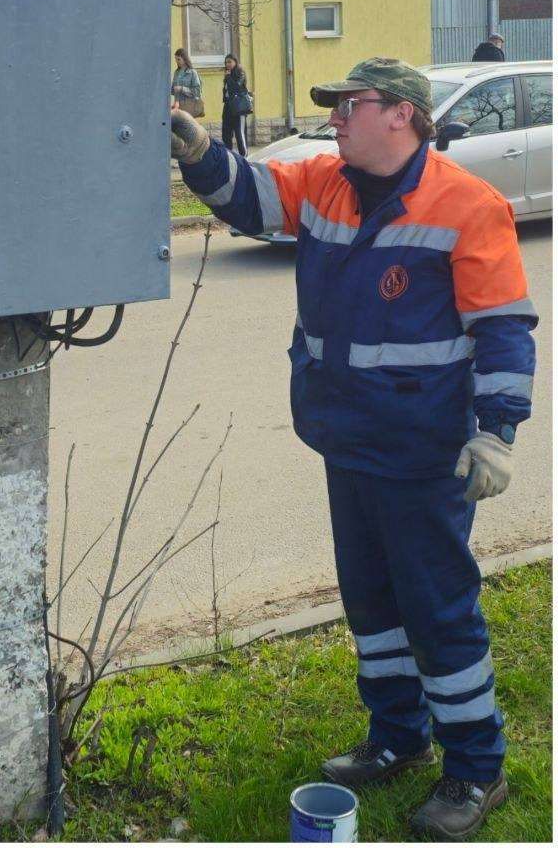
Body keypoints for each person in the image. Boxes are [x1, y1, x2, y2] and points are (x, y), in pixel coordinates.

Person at [169, 57, 536, 840]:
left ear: (401, 113)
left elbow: (503, 325)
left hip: (422, 453)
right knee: (372, 605)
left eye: (348, 105)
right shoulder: (327, 184)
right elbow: (251, 196)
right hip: (347, 440)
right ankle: (397, 738)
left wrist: (497, 432)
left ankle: (476, 768)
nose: (334, 118)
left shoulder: (468, 205)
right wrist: (197, 146)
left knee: (437, 611)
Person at [220, 53, 250, 156]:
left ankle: (244, 156)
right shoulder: (228, 74)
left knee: (239, 133)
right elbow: (227, 91)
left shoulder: (240, 73)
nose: (227, 64)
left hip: (239, 107)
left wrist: (228, 77)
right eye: (226, 62)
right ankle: (228, 155)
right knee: (226, 133)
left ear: (235, 62)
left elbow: (236, 87)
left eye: (229, 62)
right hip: (228, 106)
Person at [170, 48, 203, 115]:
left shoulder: (192, 72)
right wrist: (175, 102)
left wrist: (182, 88)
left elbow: (197, 91)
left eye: (179, 59)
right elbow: (174, 91)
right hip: (179, 107)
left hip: (189, 106)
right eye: (176, 59)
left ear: (185, 59)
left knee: (186, 125)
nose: (176, 61)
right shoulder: (176, 72)